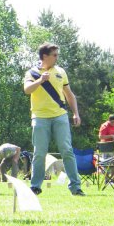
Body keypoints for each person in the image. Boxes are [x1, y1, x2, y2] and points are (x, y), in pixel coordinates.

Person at [24, 42, 84, 196]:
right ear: (45, 56)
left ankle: (76, 187)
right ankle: (35, 186)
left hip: (60, 116)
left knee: (67, 150)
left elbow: (69, 94)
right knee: (39, 153)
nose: (57, 58)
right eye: (54, 55)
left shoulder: (61, 72)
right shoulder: (32, 72)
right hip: (39, 117)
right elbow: (27, 90)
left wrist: (76, 113)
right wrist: (40, 80)